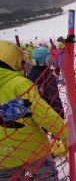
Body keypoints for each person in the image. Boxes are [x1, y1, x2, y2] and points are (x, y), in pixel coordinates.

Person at [0, 40, 68, 180]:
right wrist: (67, 135)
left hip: (3, 157)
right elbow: (44, 113)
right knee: (46, 176)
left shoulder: (29, 77)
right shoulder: (19, 83)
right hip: (33, 149)